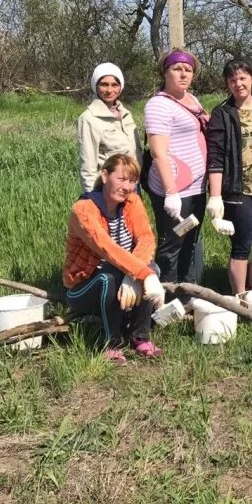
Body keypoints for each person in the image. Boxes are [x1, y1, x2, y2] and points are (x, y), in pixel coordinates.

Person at [63, 154, 165, 365]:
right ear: (105, 175)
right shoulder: (83, 210)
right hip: (84, 287)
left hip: (122, 276)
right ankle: (111, 343)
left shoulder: (132, 202)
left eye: (132, 181)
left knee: (152, 266)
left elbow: (146, 238)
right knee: (108, 277)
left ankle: (140, 337)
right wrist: (140, 274)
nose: (127, 186)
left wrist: (136, 276)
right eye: (121, 179)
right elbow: (106, 248)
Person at [206, 59, 252, 294]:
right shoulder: (222, 113)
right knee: (241, 246)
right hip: (238, 189)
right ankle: (239, 299)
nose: (238, 83)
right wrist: (215, 196)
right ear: (227, 84)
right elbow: (215, 156)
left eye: (242, 78)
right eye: (232, 80)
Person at [143, 48, 209, 290]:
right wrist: (171, 192)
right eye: (177, 69)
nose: (183, 74)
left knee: (191, 242)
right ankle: (164, 297)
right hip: (175, 191)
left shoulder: (192, 100)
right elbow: (158, 151)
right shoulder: (158, 105)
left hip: (197, 188)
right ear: (165, 71)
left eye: (188, 70)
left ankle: (187, 294)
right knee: (172, 245)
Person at [77, 63, 143, 193]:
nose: (109, 90)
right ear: (96, 86)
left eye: (114, 85)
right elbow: (88, 165)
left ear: (121, 87)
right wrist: (91, 197)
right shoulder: (89, 118)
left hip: (132, 185)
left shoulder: (125, 114)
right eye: (104, 84)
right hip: (110, 190)